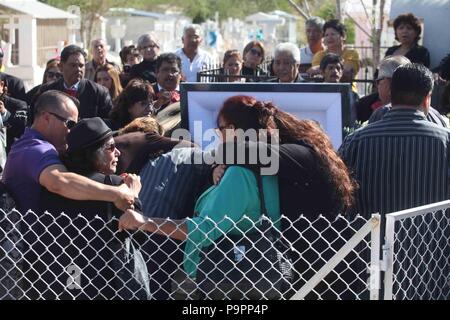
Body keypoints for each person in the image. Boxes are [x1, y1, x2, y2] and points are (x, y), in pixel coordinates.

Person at [118, 95, 281, 299]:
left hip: (230, 280)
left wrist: (144, 221)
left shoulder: (239, 174)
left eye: (220, 129)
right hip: (247, 276)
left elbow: (203, 229)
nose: (218, 135)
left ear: (233, 131)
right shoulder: (262, 168)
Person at [39, 117, 148, 299]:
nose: (118, 153)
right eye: (111, 147)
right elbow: (138, 235)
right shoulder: (115, 186)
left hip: (59, 278)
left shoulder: (54, 186)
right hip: (103, 281)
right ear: (92, 153)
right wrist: (134, 193)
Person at [339, 63, 450, 217]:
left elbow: (336, 191)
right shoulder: (446, 141)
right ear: (426, 99)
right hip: (431, 238)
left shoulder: (356, 140)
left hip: (370, 238)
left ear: (390, 93)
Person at [2, 90, 135, 215]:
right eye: (70, 124)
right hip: (27, 237)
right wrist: (117, 193)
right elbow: (60, 181)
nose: (72, 131)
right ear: (47, 118)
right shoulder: (35, 149)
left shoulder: (33, 145)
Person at [35, 45, 113, 120]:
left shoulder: (99, 93)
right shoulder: (47, 91)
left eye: (81, 65)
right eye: (73, 65)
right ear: (61, 67)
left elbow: (109, 123)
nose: (78, 69)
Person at [368, 56, 447, 127]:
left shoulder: (380, 114)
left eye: (378, 81)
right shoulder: (436, 116)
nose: (377, 85)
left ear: (390, 83)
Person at [310, 19, 360, 90]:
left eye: (333, 34)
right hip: (324, 91)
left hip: (347, 93)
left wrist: (326, 69)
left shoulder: (352, 54)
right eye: (326, 35)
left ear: (343, 36)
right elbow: (314, 72)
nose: (329, 37)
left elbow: (347, 72)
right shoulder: (319, 55)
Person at [320, 53, 358, 124]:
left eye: (338, 68)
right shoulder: (316, 93)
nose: (335, 71)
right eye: (330, 68)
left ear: (342, 72)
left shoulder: (352, 96)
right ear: (322, 72)